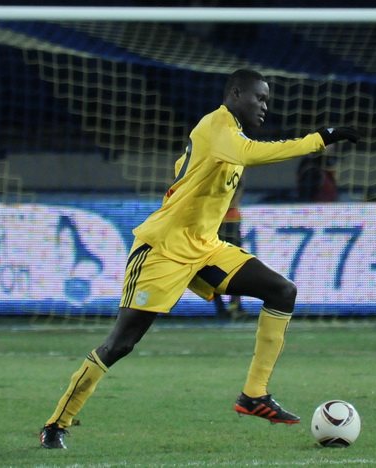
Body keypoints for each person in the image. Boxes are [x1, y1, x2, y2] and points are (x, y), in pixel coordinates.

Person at [39, 69, 358, 449]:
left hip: (205, 247)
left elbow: (186, 167)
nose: (264, 106)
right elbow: (250, 154)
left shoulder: (229, 136)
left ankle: (253, 395)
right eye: (259, 98)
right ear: (235, 94)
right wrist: (320, 139)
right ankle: (56, 423)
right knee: (120, 344)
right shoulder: (217, 125)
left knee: (281, 291)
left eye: (267, 100)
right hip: (162, 250)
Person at [213, 178, 247, 320]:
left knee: (236, 265)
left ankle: (235, 304)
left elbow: (239, 189)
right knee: (213, 265)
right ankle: (222, 306)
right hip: (216, 221)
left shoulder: (234, 173)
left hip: (229, 220)